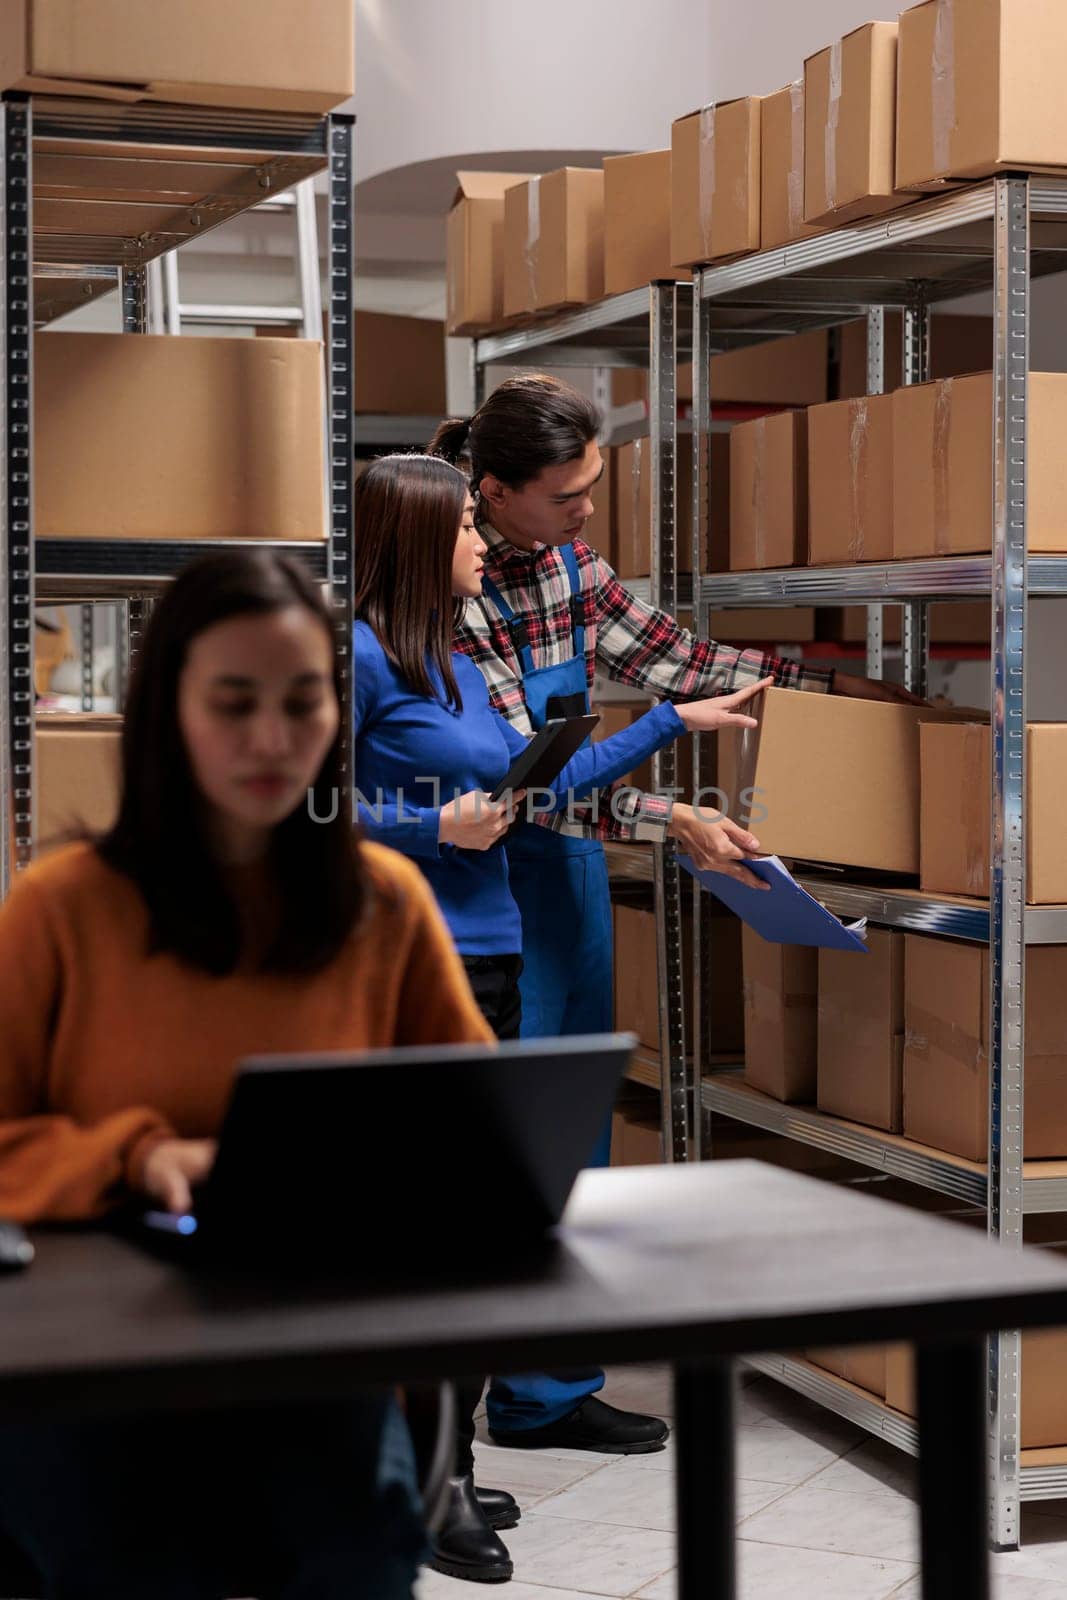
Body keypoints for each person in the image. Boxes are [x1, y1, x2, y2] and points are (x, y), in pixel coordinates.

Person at [430, 374, 922, 1456]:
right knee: (508, 1149)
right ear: (495, 489)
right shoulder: (450, 597)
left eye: (593, 488)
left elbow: (682, 661)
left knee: (577, 1137)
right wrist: (678, 818)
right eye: (567, 496)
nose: (587, 512)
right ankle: (460, 1409)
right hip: (489, 886)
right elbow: (528, 783)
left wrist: (843, 702)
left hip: (564, 885)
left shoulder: (568, 562)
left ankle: (545, 1388)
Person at [0, 550, 495, 1600]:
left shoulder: (384, 901)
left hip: (320, 1348)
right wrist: (136, 1156)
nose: (272, 739)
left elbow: (476, 1121)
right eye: (233, 702)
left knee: (358, 1560)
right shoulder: (63, 907)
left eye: (302, 701)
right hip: (98, 1369)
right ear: (166, 709)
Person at [352, 452, 768, 1583]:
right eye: (468, 532)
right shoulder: (356, 655)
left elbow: (542, 788)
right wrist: (432, 831)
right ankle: (414, 1481)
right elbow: (306, 808)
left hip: (490, 955)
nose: (488, 552)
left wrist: (670, 724)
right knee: (430, 1233)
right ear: (425, 528)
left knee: (474, 1223)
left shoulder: (449, 658)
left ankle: (438, 1454)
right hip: (409, 957)